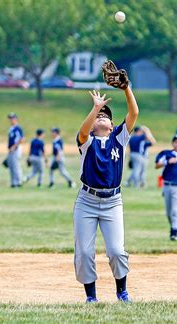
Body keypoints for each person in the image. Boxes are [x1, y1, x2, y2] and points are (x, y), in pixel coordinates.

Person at [73, 88, 139, 303]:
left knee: (116, 251)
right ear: (92, 124)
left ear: (112, 126)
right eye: (98, 116)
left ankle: (122, 291)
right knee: (84, 252)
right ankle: (91, 297)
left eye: (106, 116)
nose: (102, 117)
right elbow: (83, 131)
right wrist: (95, 108)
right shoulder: (87, 142)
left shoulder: (119, 139)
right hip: (87, 201)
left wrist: (126, 88)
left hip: (113, 202)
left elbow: (134, 113)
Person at [6, 112, 25, 188]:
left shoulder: (18, 128)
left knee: (16, 165)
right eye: (10, 118)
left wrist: (14, 146)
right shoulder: (11, 128)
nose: (11, 120)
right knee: (11, 165)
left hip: (16, 148)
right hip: (11, 149)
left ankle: (19, 182)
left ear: (16, 119)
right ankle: (13, 182)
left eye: (12, 118)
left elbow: (22, 139)